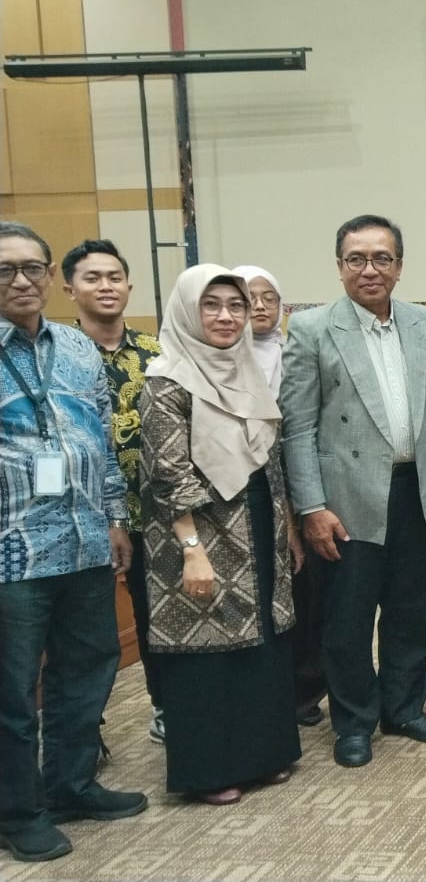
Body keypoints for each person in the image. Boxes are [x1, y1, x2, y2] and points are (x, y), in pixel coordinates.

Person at [278, 217, 426, 770]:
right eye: (357, 258)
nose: (370, 269)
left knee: (410, 610)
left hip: (413, 491)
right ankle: (354, 722)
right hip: (345, 500)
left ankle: (403, 709)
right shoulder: (311, 329)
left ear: (399, 266)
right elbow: (297, 429)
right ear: (339, 267)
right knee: (348, 619)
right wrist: (311, 508)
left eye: (382, 258)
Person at [0, 222, 146, 863]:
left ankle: (70, 785)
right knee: (12, 692)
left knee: (86, 670)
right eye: (5, 269)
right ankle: (18, 811)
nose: (21, 280)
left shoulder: (77, 347)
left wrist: (114, 518)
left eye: (32, 267)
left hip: (85, 541)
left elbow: (104, 443)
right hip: (11, 552)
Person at [139, 264, 302, 806]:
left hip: (256, 520)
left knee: (261, 640)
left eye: (236, 305)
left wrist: (286, 526)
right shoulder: (167, 381)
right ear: (188, 311)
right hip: (197, 529)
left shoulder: (247, 370)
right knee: (206, 647)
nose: (227, 317)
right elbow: (167, 474)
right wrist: (192, 550)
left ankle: (264, 754)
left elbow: (269, 458)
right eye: (211, 305)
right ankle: (210, 770)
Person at [61, 239, 165, 744]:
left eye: (114, 277)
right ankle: (84, 731)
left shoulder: (157, 352)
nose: (106, 286)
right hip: (79, 516)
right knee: (85, 632)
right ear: (69, 289)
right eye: (92, 278)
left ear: (128, 285)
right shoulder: (58, 354)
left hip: (155, 512)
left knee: (155, 618)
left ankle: (165, 707)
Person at [235, 264, 326, 729]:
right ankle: (261, 692)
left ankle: (304, 692)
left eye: (269, 297)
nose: (260, 306)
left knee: (305, 593)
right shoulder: (219, 363)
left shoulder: (296, 354)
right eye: (248, 297)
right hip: (244, 496)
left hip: (301, 488)